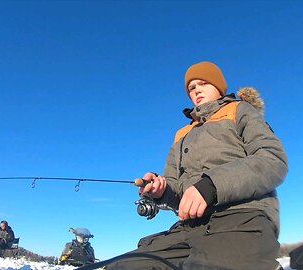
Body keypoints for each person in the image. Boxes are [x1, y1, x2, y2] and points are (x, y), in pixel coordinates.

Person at [108, 61, 288, 270]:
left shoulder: (240, 110)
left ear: (219, 86)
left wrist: (210, 186)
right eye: (191, 87)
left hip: (243, 218)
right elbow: (175, 187)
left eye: (203, 83)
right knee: (123, 266)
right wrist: (161, 190)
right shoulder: (182, 134)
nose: (196, 90)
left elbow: (273, 159)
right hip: (189, 227)